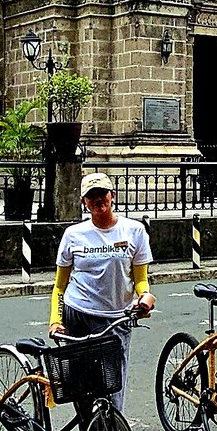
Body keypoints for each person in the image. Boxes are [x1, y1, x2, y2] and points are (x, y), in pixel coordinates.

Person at [50, 172, 156, 413]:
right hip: (76, 315)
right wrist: (56, 320)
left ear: (113, 196)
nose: (98, 200)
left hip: (115, 319)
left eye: (102, 194)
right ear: (83, 202)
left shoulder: (134, 231)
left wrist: (145, 296)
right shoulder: (73, 234)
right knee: (80, 390)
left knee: (112, 392)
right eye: (91, 196)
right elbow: (59, 286)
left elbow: (140, 279)